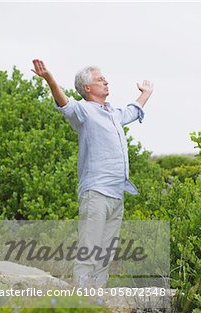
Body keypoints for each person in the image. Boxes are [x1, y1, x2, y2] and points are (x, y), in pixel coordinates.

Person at [31, 59, 153, 292]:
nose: (106, 81)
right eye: (100, 79)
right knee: (89, 249)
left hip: (117, 194)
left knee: (106, 252)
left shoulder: (112, 113)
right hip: (96, 192)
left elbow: (131, 111)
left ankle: (98, 299)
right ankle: (81, 300)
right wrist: (49, 79)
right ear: (87, 88)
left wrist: (146, 94)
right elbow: (64, 103)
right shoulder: (83, 111)